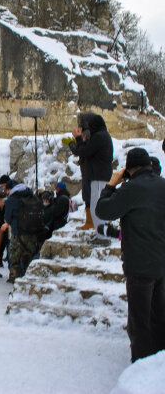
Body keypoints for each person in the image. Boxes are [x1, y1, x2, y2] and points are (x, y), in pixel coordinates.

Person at [96, 147, 165, 363]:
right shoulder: (162, 185)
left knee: (140, 323)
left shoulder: (132, 188)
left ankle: (141, 371)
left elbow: (103, 211)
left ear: (130, 169)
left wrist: (110, 185)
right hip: (161, 263)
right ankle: (158, 367)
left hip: (139, 265)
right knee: (159, 319)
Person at [72, 114, 113, 245]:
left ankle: (103, 237)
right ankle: (100, 234)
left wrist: (78, 139)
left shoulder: (99, 136)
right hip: (100, 175)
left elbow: (85, 151)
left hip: (99, 176)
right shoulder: (103, 136)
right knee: (99, 206)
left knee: (98, 207)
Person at [1, 180, 40, 283]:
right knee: (29, 257)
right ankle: (29, 278)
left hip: (18, 233)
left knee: (15, 257)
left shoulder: (12, 199)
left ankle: (14, 278)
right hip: (33, 232)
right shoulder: (32, 196)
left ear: (10, 189)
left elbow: (7, 217)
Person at [65, 112, 97, 230]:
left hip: (87, 169)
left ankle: (91, 222)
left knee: (88, 196)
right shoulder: (93, 133)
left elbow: (80, 150)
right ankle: (91, 221)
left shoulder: (87, 134)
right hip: (89, 169)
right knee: (89, 196)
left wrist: (73, 143)